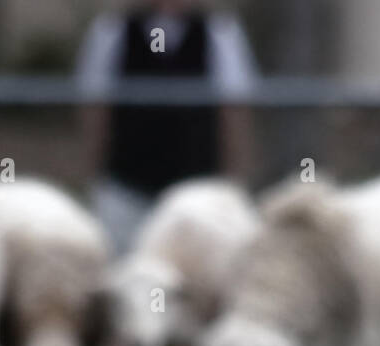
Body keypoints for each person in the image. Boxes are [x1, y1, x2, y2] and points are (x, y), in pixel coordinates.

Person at [75, 0, 258, 253]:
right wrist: (97, 175)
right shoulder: (113, 29)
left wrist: (234, 179)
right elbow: (96, 108)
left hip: (197, 187)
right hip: (127, 183)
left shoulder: (219, 31)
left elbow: (234, 111)